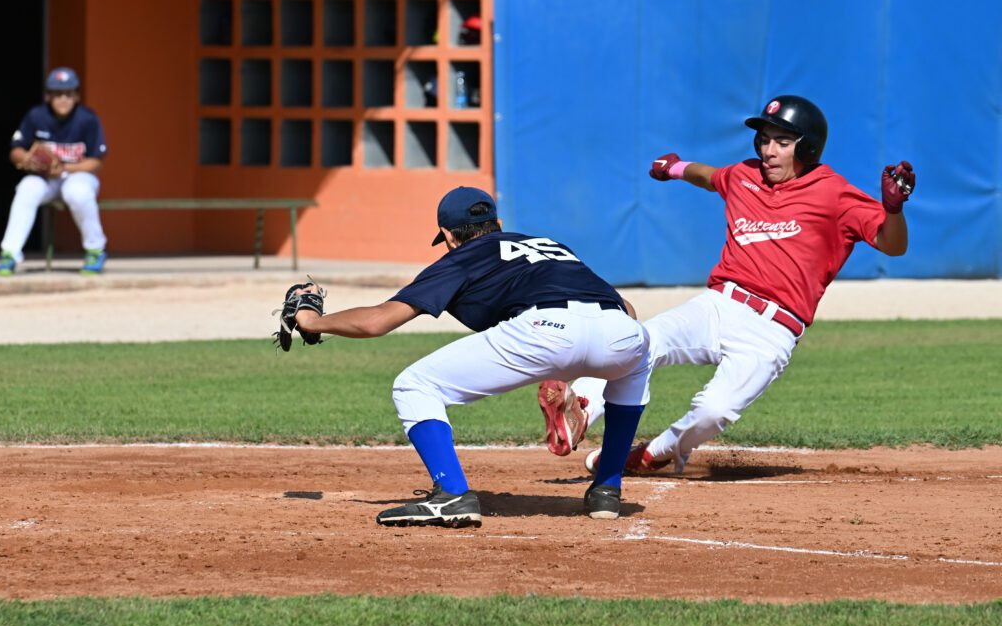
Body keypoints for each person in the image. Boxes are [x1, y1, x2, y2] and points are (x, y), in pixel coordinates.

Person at [537, 94, 915, 476]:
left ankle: (657, 451)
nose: (769, 150)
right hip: (720, 304)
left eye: (782, 142)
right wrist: (675, 167)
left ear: (808, 147)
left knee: (713, 412)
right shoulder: (745, 175)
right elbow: (710, 176)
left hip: (773, 328)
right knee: (643, 341)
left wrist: (894, 211)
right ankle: (579, 404)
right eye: (764, 140)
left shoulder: (833, 192)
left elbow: (891, 244)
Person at [289, 186, 653, 527]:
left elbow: (376, 321)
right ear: (498, 225)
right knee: (635, 363)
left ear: (449, 236)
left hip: (544, 328)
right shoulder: (548, 245)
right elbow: (627, 308)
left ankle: (451, 495)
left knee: (415, 385)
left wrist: (313, 321)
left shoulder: (463, 257)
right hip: (622, 330)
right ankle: (607, 489)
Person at [0, 67, 108, 276]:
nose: (63, 99)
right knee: (26, 188)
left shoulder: (88, 118)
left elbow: (96, 161)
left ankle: (95, 249)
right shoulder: (36, 116)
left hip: (76, 176)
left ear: (76, 96)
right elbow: (16, 150)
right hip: (44, 178)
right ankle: (9, 253)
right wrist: (27, 159)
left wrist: (64, 168)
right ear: (48, 96)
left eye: (68, 93)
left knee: (79, 192)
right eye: (57, 94)